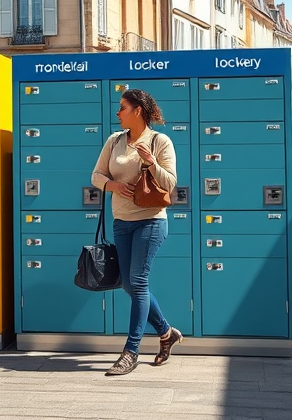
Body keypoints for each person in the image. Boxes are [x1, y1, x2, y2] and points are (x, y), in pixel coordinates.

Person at [91, 88, 180, 376]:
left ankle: (131, 351)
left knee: (138, 283)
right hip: (122, 221)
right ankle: (167, 333)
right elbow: (96, 175)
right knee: (129, 285)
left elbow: (169, 184)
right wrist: (114, 186)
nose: (118, 113)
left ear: (137, 111)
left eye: (122, 108)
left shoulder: (159, 141)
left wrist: (151, 163)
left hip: (151, 221)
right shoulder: (114, 141)